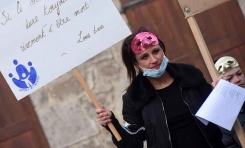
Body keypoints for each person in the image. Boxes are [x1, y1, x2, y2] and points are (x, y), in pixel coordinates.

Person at [96, 28, 224, 148]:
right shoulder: (134, 97)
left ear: (162, 50)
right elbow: (133, 143)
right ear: (136, 64)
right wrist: (112, 124)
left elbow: (218, 111)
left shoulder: (189, 74)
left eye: (156, 51)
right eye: (144, 57)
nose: (154, 60)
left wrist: (222, 91)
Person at [213, 56, 245, 148]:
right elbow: (229, 145)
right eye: (229, 79)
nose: (237, 80)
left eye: (239, 74)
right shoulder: (222, 116)